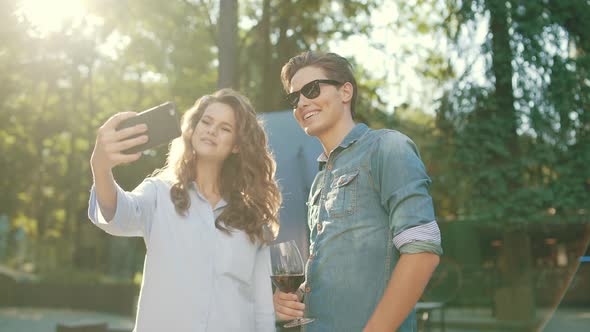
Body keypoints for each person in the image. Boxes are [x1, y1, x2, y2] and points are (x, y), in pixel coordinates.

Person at [273, 52, 442, 331]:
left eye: (311, 90)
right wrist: (297, 296)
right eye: (294, 98)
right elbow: (334, 271)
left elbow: (422, 252)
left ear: (345, 91)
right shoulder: (318, 182)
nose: (302, 102)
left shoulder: (388, 148)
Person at [88, 88, 281, 332]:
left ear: (237, 146)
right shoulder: (159, 194)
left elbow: (262, 309)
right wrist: (101, 167)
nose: (211, 130)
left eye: (225, 128)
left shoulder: (252, 218)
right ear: (193, 129)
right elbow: (115, 215)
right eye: (207, 121)